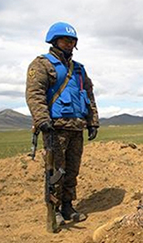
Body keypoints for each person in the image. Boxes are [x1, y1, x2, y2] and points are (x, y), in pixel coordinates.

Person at [26, 22, 99, 225]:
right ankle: (54, 208)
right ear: (54, 41)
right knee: (56, 170)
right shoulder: (42, 64)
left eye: (72, 41)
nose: (69, 44)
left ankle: (68, 206)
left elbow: (89, 96)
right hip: (54, 128)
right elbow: (35, 94)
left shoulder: (79, 69)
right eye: (65, 40)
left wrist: (93, 121)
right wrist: (42, 120)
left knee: (72, 170)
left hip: (76, 126)